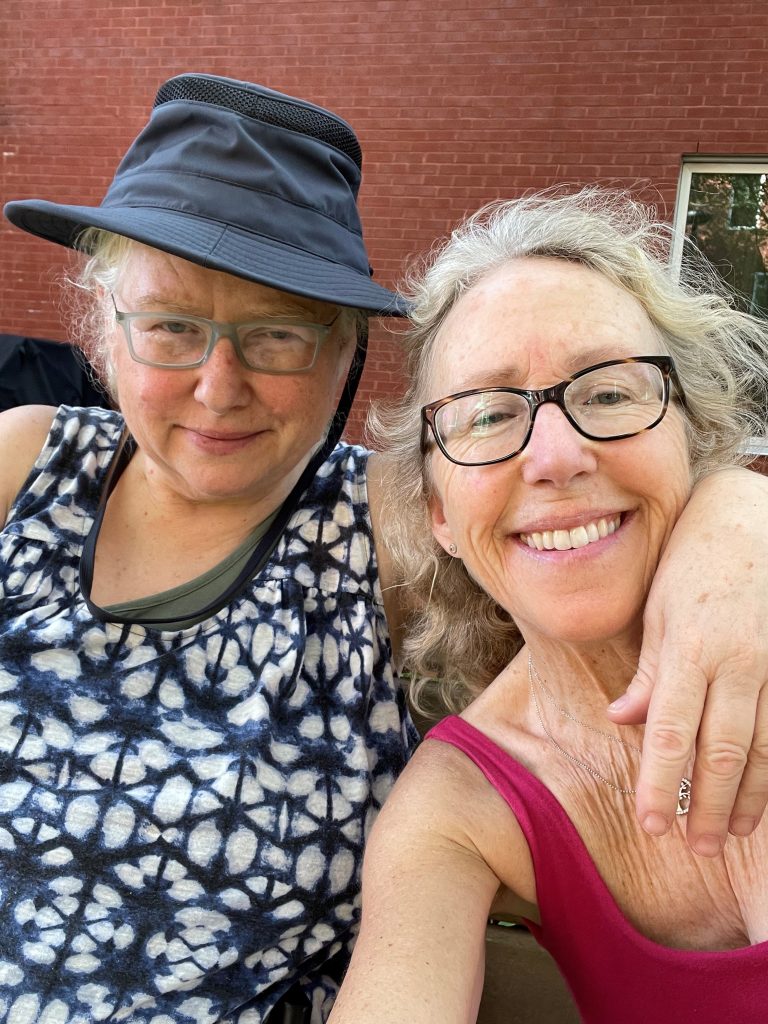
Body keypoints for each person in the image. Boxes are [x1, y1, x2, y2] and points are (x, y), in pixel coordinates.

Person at [0, 76, 767, 1024]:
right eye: (169, 328)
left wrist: (740, 509)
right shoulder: (23, 466)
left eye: (277, 333)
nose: (216, 385)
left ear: (342, 355)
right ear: (105, 333)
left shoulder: (376, 521)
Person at [328, 188, 768, 1024]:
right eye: (489, 415)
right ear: (437, 514)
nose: (556, 457)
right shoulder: (457, 806)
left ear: (695, 435)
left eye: (608, 393)